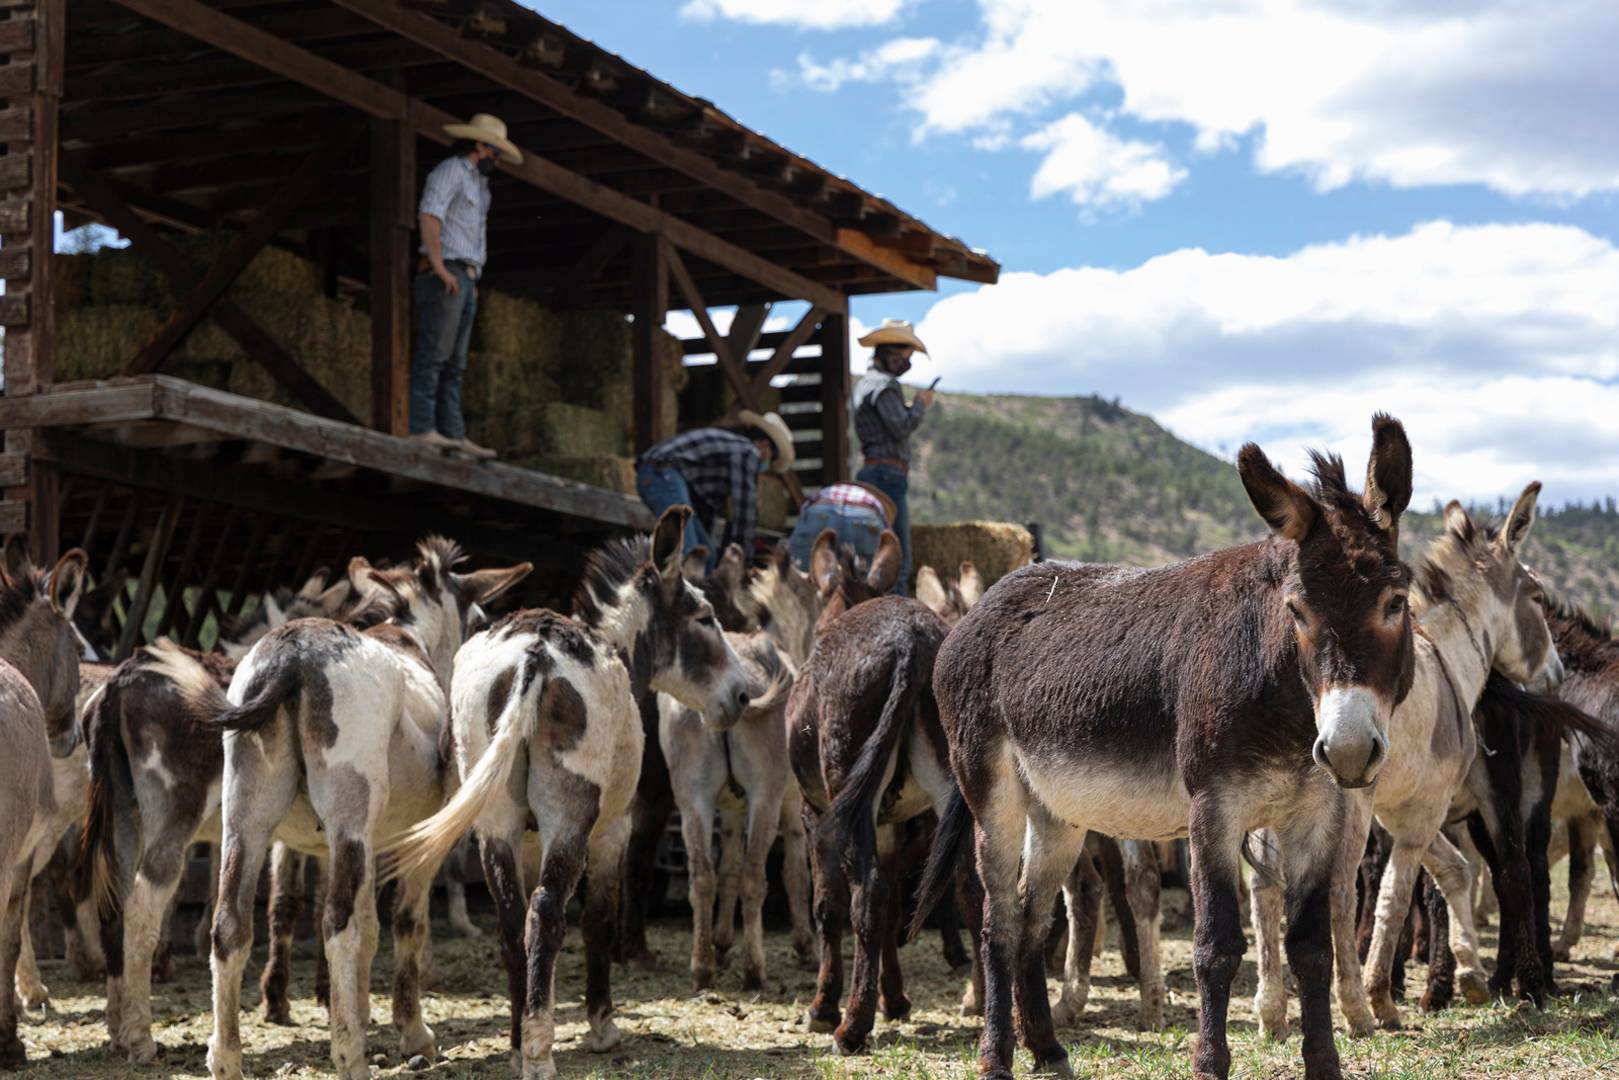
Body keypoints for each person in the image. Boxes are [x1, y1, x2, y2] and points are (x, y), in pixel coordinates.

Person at [410, 113, 522, 460]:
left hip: (467, 274)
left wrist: (469, 279)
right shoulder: (451, 172)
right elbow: (430, 214)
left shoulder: (479, 186)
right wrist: (440, 266)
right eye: (496, 153)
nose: (498, 160)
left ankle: (452, 434)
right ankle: (421, 427)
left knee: (455, 362)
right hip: (449, 270)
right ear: (479, 146)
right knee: (436, 354)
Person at [636, 411, 795, 568]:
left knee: (707, 557)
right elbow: (745, 512)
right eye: (771, 458)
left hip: (658, 475)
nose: (766, 466)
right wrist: (744, 561)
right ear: (765, 447)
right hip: (662, 474)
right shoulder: (748, 452)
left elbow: (706, 507)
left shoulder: (729, 452)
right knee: (689, 556)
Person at [852, 318, 933, 595]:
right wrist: (919, 406)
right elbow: (901, 428)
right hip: (888, 475)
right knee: (898, 560)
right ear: (890, 354)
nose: (906, 363)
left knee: (874, 555)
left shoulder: (866, 384)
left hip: (873, 472)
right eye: (904, 357)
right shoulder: (885, 385)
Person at [786, 481, 895, 571]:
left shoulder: (828, 490)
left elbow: (804, 512)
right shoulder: (875, 503)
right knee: (868, 583)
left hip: (821, 509)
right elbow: (887, 540)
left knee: (799, 572)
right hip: (864, 516)